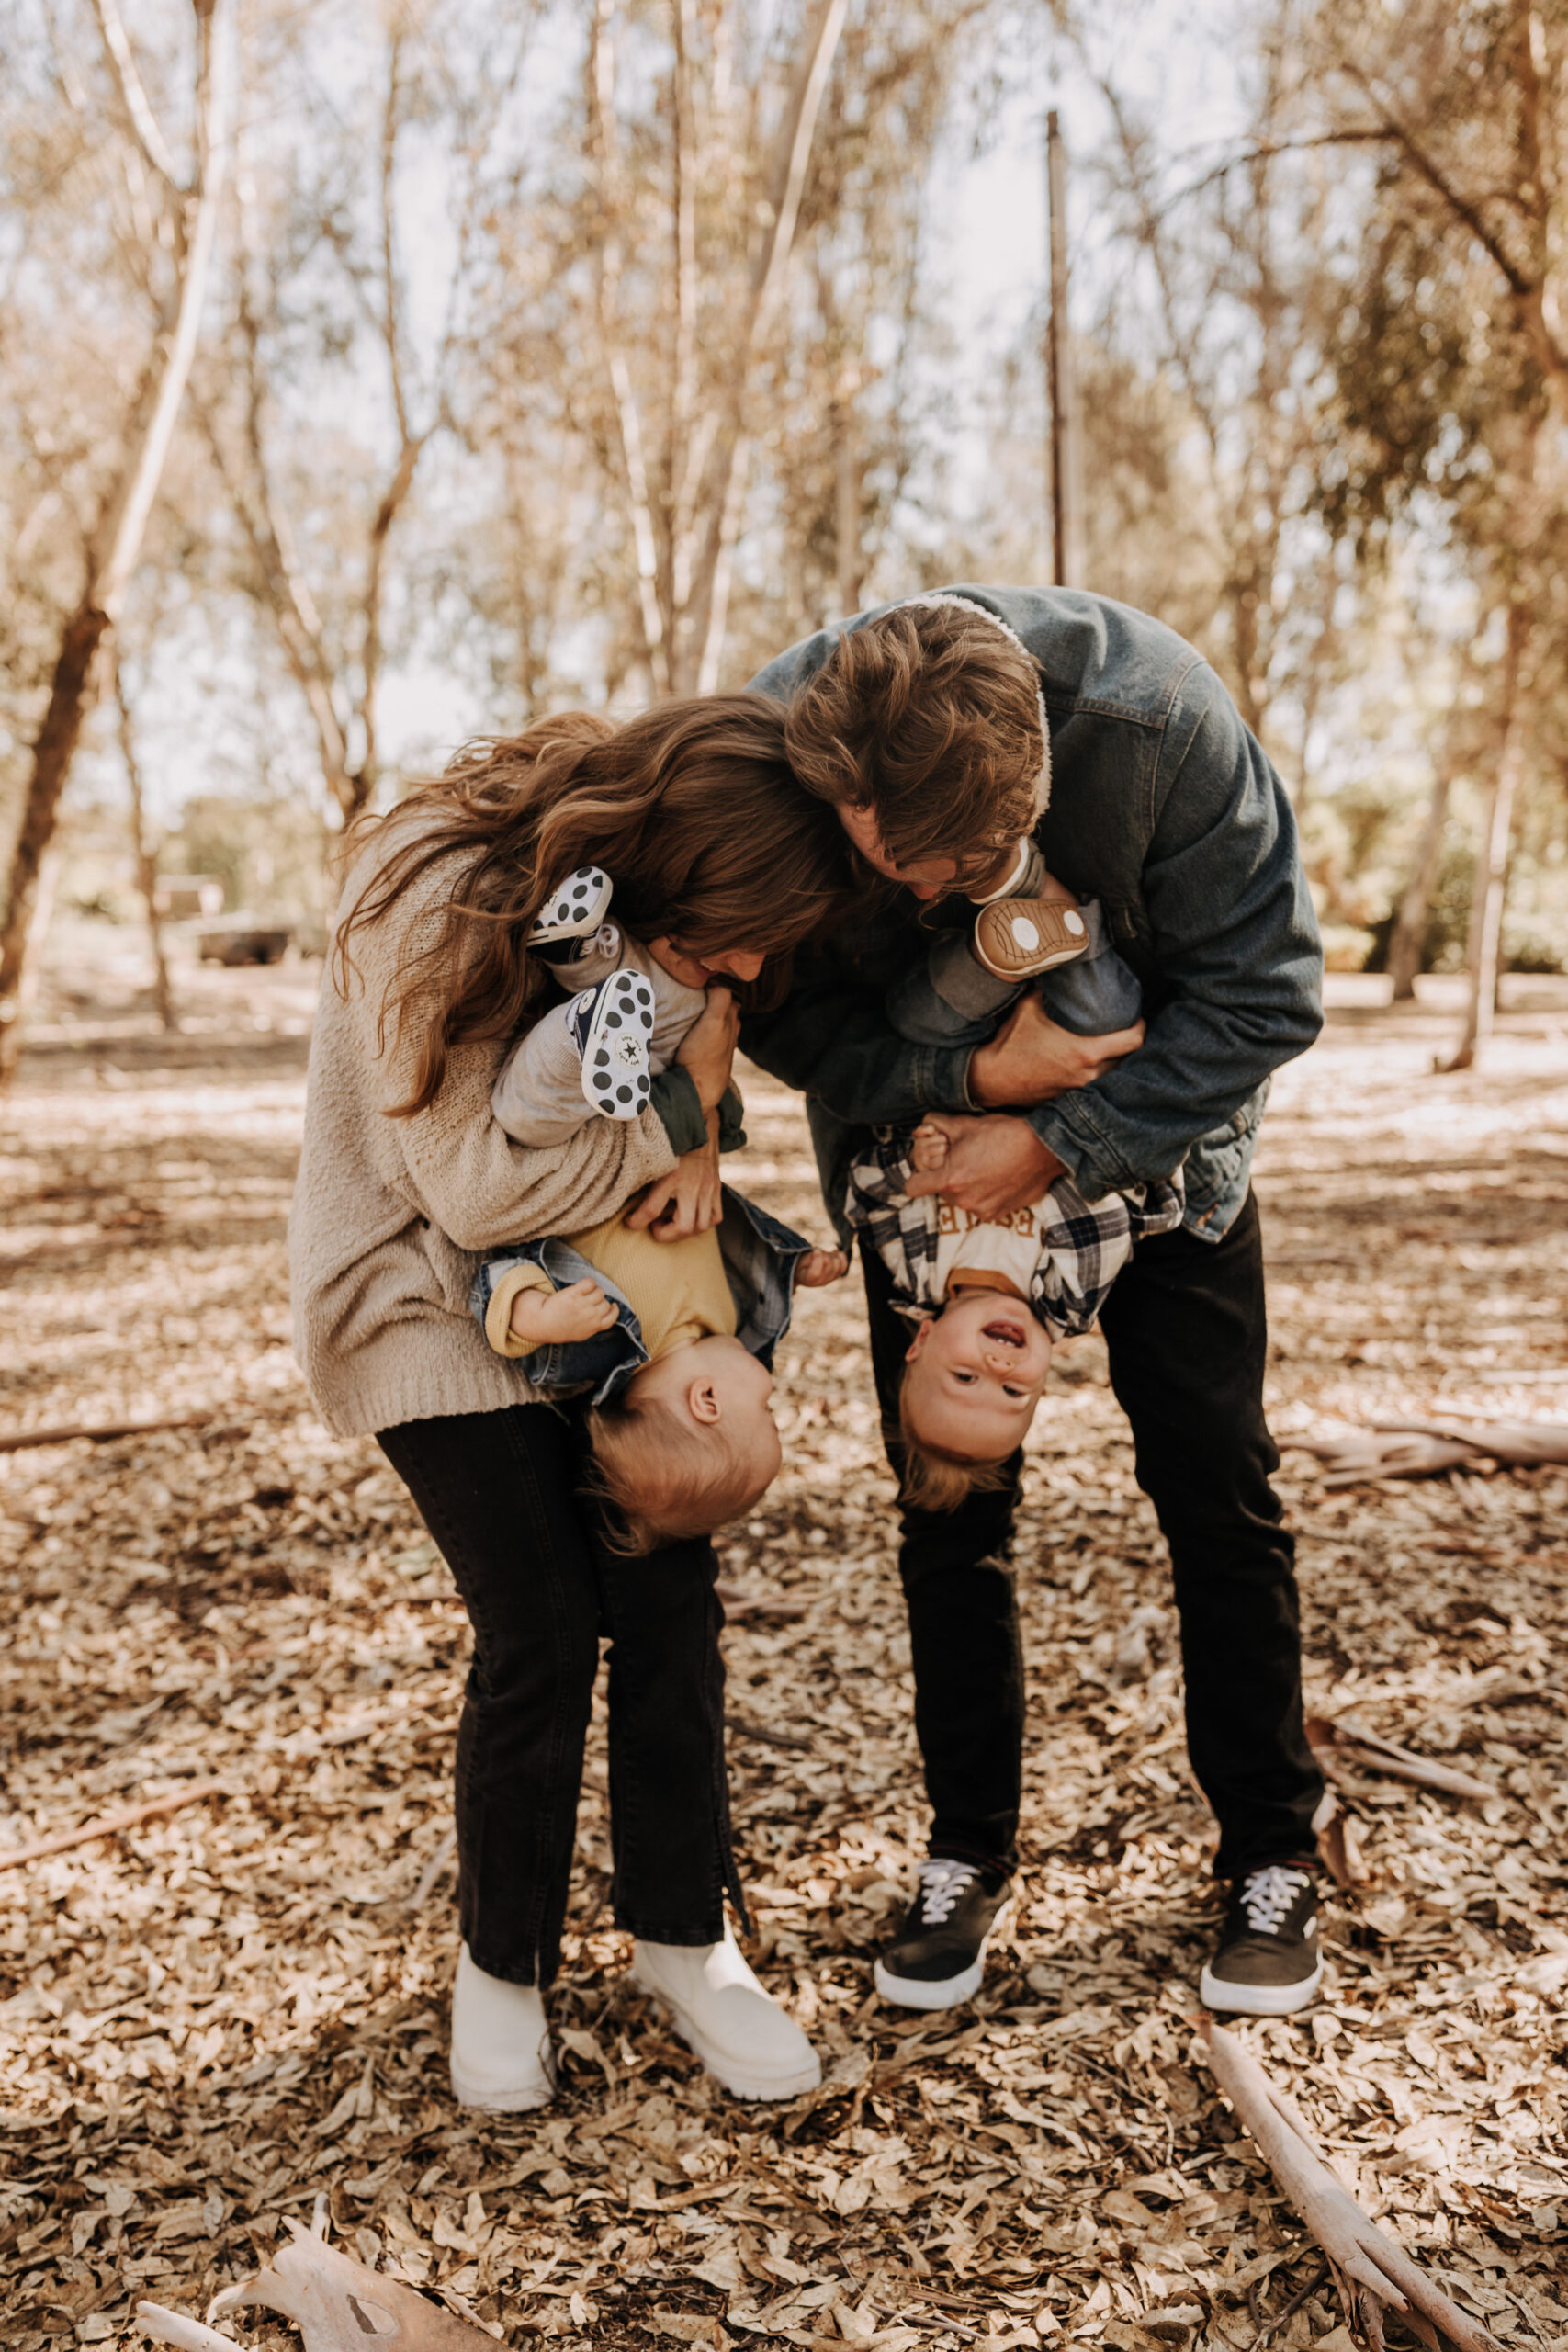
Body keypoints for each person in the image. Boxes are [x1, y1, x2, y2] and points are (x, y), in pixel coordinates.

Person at [742, 587, 1330, 2018]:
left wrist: (1059, 1137)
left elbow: (1269, 995)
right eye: (907, 868)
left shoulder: (1164, 726)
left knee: (1217, 1483)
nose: (938, 893)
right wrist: (975, 1090)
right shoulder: (771, 758)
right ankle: (965, 1851)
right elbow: (777, 1013)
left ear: (1039, 788)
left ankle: (1270, 1846)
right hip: (925, 1157)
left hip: (1169, 1149)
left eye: (973, 866)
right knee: (948, 1500)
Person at [289, 695, 856, 2112]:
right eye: (726, 931)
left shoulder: (655, 933)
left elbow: (653, 1097)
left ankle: (684, 1937)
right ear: (665, 852)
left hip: (602, 1291)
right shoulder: (421, 889)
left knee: (668, 1600)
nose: (739, 967)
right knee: (540, 1628)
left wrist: (704, 1121)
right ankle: (504, 1965)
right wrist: (689, 1120)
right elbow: (475, 1192)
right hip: (426, 1299)